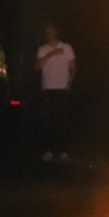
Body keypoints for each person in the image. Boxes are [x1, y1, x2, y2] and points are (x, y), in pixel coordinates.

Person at [35, 23, 77, 161]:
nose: (49, 33)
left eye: (51, 31)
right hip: (47, 89)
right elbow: (37, 66)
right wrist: (52, 54)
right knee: (48, 121)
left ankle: (63, 151)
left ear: (56, 31)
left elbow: (73, 67)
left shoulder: (67, 48)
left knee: (62, 121)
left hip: (62, 89)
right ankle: (48, 150)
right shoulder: (42, 49)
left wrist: (69, 83)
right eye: (47, 31)